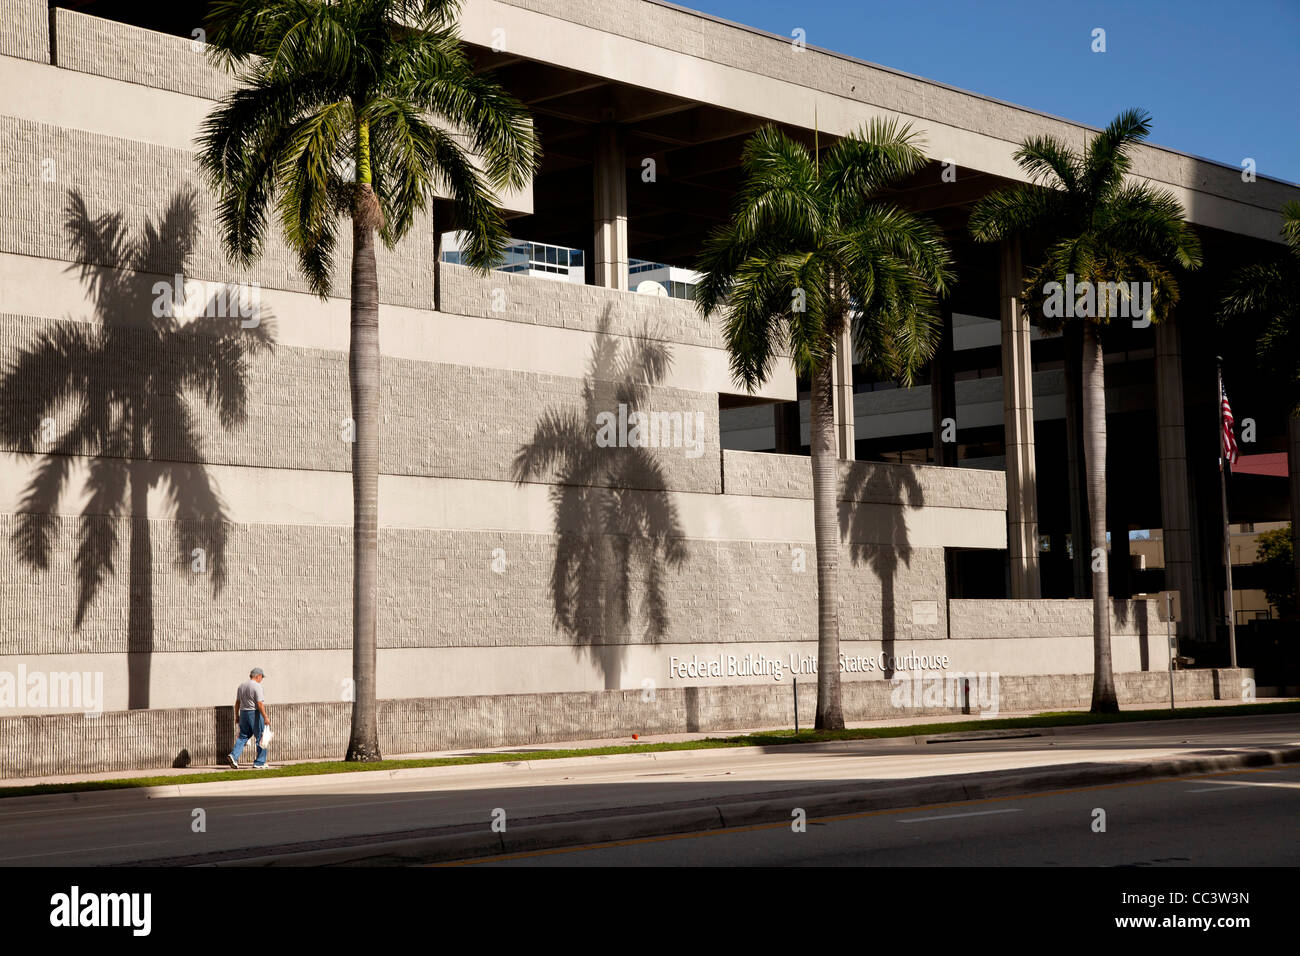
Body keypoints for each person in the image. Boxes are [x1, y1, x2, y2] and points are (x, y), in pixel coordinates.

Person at [227, 667, 271, 769]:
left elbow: (237, 702)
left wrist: (236, 715)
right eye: (261, 677)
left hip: (243, 713)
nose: (261, 679)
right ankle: (259, 762)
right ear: (258, 676)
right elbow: (259, 704)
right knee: (261, 737)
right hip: (254, 713)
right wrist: (265, 717)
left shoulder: (241, 686)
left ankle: (233, 756)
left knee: (243, 736)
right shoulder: (257, 686)